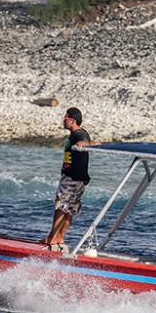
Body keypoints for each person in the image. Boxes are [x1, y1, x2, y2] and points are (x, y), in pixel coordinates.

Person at [44, 107, 91, 249]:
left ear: (72, 120)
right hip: (79, 179)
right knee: (70, 208)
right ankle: (59, 237)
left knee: (61, 205)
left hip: (71, 178)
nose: (63, 121)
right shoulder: (79, 133)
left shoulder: (78, 134)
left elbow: (84, 142)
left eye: (65, 119)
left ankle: (52, 238)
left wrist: (84, 145)